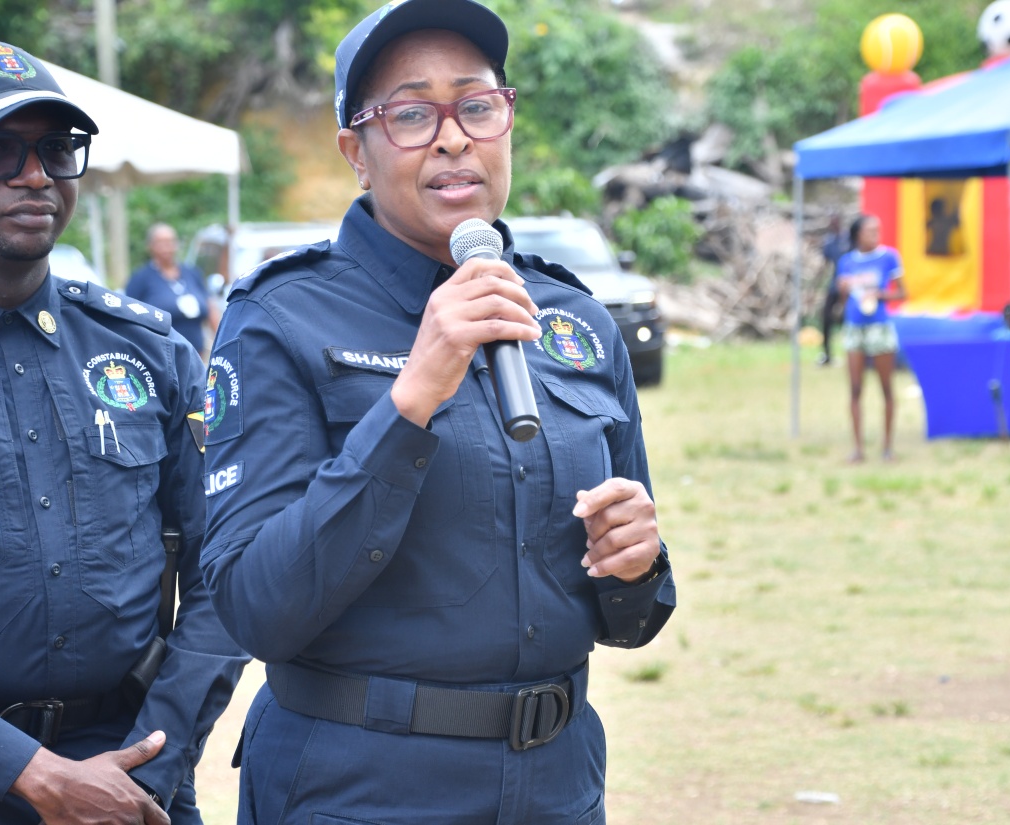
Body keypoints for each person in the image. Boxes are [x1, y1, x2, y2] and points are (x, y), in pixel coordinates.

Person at [198, 2, 676, 823]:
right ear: (356, 151)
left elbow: (630, 617)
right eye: (412, 114)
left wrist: (639, 564)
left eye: (477, 105)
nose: (454, 138)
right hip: (359, 786)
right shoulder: (281, 317)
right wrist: (411, 397)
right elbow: (254, 605)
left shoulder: (574, 321)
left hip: (556, 783)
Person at [0, 41, 247, 824]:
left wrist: (154, 759)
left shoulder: (148, 351)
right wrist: (30, 772)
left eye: (57, 150)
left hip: (137, 773)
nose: (35, 175)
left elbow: (227, 566)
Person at [835, 214, 907, 463]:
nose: (875, 234)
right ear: (857, 235)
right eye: (870, 231)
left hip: (879, 328)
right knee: (855, 389)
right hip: (855, 328)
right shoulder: (846, 262)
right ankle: (857, 449)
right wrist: (844, 291)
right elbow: (844, 302)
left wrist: (880, 294)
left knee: (886, 388)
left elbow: (901, 292)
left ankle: (887, 448)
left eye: (878, 230)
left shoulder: (889, 257)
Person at [126, 223, 219, 359]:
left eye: (170, 242)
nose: (166, 247)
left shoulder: (192, 273)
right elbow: (129, 317)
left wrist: (222, 342)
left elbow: (210, 310)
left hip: (196, 355)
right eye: (160, 243)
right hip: (160, 357)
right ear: (150, 246)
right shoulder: (140, 279)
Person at [816, 213, 846, 366]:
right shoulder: (829, 242)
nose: (833, 225)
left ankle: (855, 354)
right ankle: (827, 354)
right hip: (835, 285)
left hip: (850, 287)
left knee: (849, 320)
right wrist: (817, 286)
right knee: (827, 318)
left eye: (835, 222)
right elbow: (825, 266)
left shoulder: (848, 240)